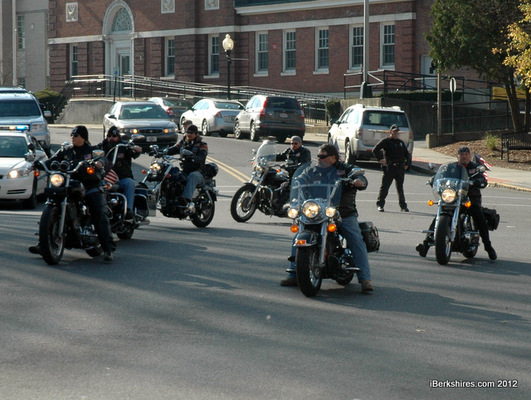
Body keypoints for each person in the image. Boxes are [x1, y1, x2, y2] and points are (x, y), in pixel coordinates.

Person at [280, 144, 373, 293]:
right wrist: (290, 183)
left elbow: (359, 176)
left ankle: (365, 279)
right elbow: (300, 179)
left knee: (355, 239)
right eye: (318, 156)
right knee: (298, 236)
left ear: (333, 157)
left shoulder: (345, 169)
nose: (319, 159)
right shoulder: (312, 170)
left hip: (342, 212)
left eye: (322, 156)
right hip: (316, 211)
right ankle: (294, 273)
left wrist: (359, 181)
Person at [29, 125, 115, 262]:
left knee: (98, 211)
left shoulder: (91, 150)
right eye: (72, 135)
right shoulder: (66, 151)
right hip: (69, 184)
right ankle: (43, 244)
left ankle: (107, 248)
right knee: (52, 203)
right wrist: (38, 164)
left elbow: (102, 159)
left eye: (76, 135)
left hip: (90, 185)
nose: (73, 138)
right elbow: (52, 160)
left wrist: (99, 163)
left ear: (83, 137)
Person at [416, 146, 497, 260]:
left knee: (479, 217)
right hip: (453, 197)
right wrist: (434, 179)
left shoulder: (475, 167)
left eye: (466, 154)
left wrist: (479, 181)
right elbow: (442, 175)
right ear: (457, 156)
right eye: (461, 154)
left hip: (470, 199)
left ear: (469, 156)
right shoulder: (452, 167)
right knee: (437, 219)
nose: (464, 156)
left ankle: (488, 247)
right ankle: (425, 246)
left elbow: (483, 179)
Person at [98, 126, 142, 219]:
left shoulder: (124, 146)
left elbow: (134, 152)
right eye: (109, 136)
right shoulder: (102, 146)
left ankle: (128, 210)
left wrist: (135, 149)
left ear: (118, 136)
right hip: (105, 178)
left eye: (114, 136)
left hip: (122, 178)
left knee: (129, 183)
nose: (111, 138)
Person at [165, 124, 208, 211]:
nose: (188, 134)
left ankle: (186, 200)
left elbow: (202, 156)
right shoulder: (183, 142)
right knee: (172, 173)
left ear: (196, 134)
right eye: (187, 132)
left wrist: (194, 158)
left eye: (191, 133)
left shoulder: (202, 144)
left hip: (198, 172)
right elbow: (173, 149)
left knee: (193, 176)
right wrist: (162, 152)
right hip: (184, 171)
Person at [372, 124, 411, 212]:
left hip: (399, 168)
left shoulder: (400, 143)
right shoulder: (386, 141)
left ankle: (403, 206)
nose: (396, 134)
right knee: (385, 187)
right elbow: (375, 150)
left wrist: (407, 164)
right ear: (390, 132)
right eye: (394, 132)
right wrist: (381, 159)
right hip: (389, 167)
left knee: (400, 188)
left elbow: (407, 155)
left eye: (397, 132)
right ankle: (380, 205)